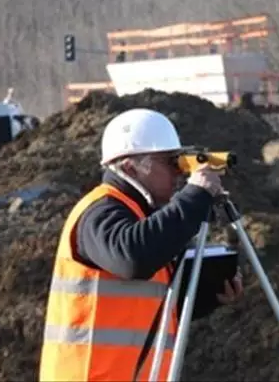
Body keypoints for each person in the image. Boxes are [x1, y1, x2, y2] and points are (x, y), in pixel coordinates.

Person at [39, 108, 244, 382]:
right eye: (169, 162)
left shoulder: (142, 218)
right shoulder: (100, 212)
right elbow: (133, 258)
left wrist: (208, 295)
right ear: (129, 167)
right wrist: (194, 197)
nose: (177, 173)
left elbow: (147, 305)